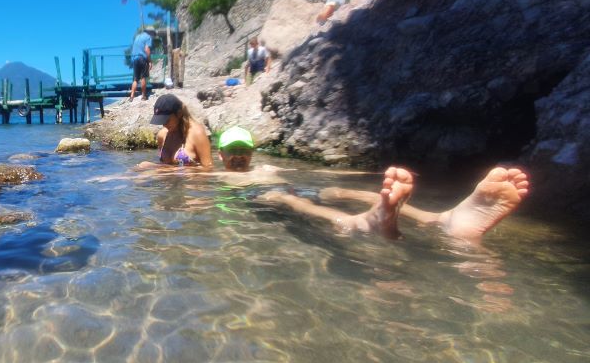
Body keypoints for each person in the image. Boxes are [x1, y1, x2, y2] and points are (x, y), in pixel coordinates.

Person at [261, 166, 530, 242]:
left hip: (292, 183)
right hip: (282, 188)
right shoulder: (222, 172)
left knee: (340, 191)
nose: (239, 157)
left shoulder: (267, 166)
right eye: (234, 152)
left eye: (243, 151)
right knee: (286, 198)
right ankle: (366, 220)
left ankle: (437, 219)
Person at [147, 94, 213, 168]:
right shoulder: (162, 135)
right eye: (161, 121)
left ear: (179, 113)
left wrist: (167, 171)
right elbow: (164, 165)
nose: (164, 125)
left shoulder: (197, 134)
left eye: (167, 120)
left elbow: (208, 169)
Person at [129, 26, 156, 101]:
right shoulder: (148, 37)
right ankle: (143, 96)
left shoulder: (137, 37)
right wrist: (150, 61)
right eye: (153, 34)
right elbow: (147, 49)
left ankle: (132, 96)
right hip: (142, 58)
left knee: (135, 79)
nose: (153, 36)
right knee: (143, 77)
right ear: (151, 32)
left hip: (134, 58)